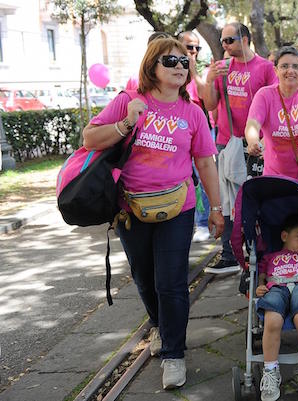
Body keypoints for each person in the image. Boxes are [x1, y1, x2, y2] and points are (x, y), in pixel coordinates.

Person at [82, 37, 224, 390]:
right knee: (144, 276)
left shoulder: (193, 112)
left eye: (183, 61)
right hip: (131, 208)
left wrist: (218, 208)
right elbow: (89, 139)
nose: (179, 66)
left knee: (171, 281)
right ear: (152, 67)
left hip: (178, 207)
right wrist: (125, 124)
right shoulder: (128, 102)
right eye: (170, 61)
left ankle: (174, 354)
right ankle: (160, 325)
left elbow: (205, 162)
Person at [202, 22, 278, 273]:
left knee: (259, 195)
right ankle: (229, 254)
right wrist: (209, 79)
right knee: (226, 199)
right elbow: (211, 105)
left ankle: (264, 250)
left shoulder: (266, 68)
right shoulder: (221, 68)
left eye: (229, 40)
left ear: (245, 39)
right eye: (223, 41)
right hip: (226, 140)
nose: (224, 45)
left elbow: (275, 102)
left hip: (257, 143)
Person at [255, 214, 298, 401]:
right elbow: (261, 275)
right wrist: (260, 285)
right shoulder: (270, 256)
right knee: (272, 320)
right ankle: (270, 371)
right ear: (284, 236)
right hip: (276, 286)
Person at [244, 46, 298, 181]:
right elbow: (253, 123)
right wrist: (253, 141)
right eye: (284, 66)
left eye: (295, 66)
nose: (290, 71)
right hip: (275, 175)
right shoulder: (264, 94)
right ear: (276, 70)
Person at [177, 31, 215, 243]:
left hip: (199, 129)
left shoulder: (199, 72)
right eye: (188, 46)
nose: (192, 52)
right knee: (184, 177)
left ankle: (202, 223)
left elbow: (207, 100)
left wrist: (194, 72)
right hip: (176, 130)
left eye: (196, 48)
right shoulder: (170, 70)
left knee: (202, 176)